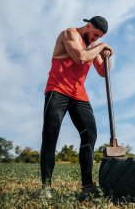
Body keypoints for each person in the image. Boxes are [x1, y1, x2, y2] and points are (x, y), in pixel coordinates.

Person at [40, 16, 113, 200]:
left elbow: (104, 73)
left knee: (90, 135)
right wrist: (102, 46)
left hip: (79, 95)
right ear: (88, 26)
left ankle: (87, 186)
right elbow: (80, 58)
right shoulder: (69, 33)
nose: (96, 38)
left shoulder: (93, 46)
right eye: (95, 34)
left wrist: (106, 56)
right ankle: (46, 187)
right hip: (57, 90)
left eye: (99, 37)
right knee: (50, 136)